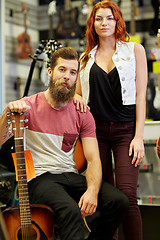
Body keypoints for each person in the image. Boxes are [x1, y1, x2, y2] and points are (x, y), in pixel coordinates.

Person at [0, 47, 129, 240]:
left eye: (72, 72)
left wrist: (92, 192)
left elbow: (93, 160)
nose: (67, 76)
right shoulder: (27, 107)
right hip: (40, 178)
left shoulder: (82, 113)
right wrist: (7, 113)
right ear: (50, 72)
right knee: (71, 211)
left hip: (70, 175)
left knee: (119, 201)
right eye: (62, 70)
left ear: (77, 77)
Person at [75, 1, 148, 240]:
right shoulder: (85, 58)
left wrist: (138, 137)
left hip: (126, 132)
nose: (104, 23)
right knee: (106, 198)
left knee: (127, 195)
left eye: (109, 18)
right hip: (95, 135)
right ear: (92, 23)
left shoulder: (134, 50)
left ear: (117, 21)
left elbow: (140, 95)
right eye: (98, 19)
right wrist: (78, 100)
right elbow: (77, 94)